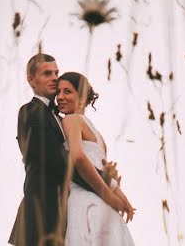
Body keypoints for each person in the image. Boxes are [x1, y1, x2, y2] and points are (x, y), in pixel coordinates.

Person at [9, 54, 126, 246]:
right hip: (41, 215)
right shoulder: (30, 111)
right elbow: (61, 161)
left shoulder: (65, 120)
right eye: (47, 73)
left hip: (68, 214)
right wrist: (108, 189)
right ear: (31, 80)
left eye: (56, 72)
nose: (54, 77)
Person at [57, 71, 136, 246]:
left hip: (84, 202)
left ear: (82, 96)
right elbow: (106, 176)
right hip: (104, 208)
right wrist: (123, 200)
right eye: (58, 92)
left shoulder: (70, 120)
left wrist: (111, 197)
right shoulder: (98, 135)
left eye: (67, 91)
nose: (60, 97)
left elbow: (78, 157)